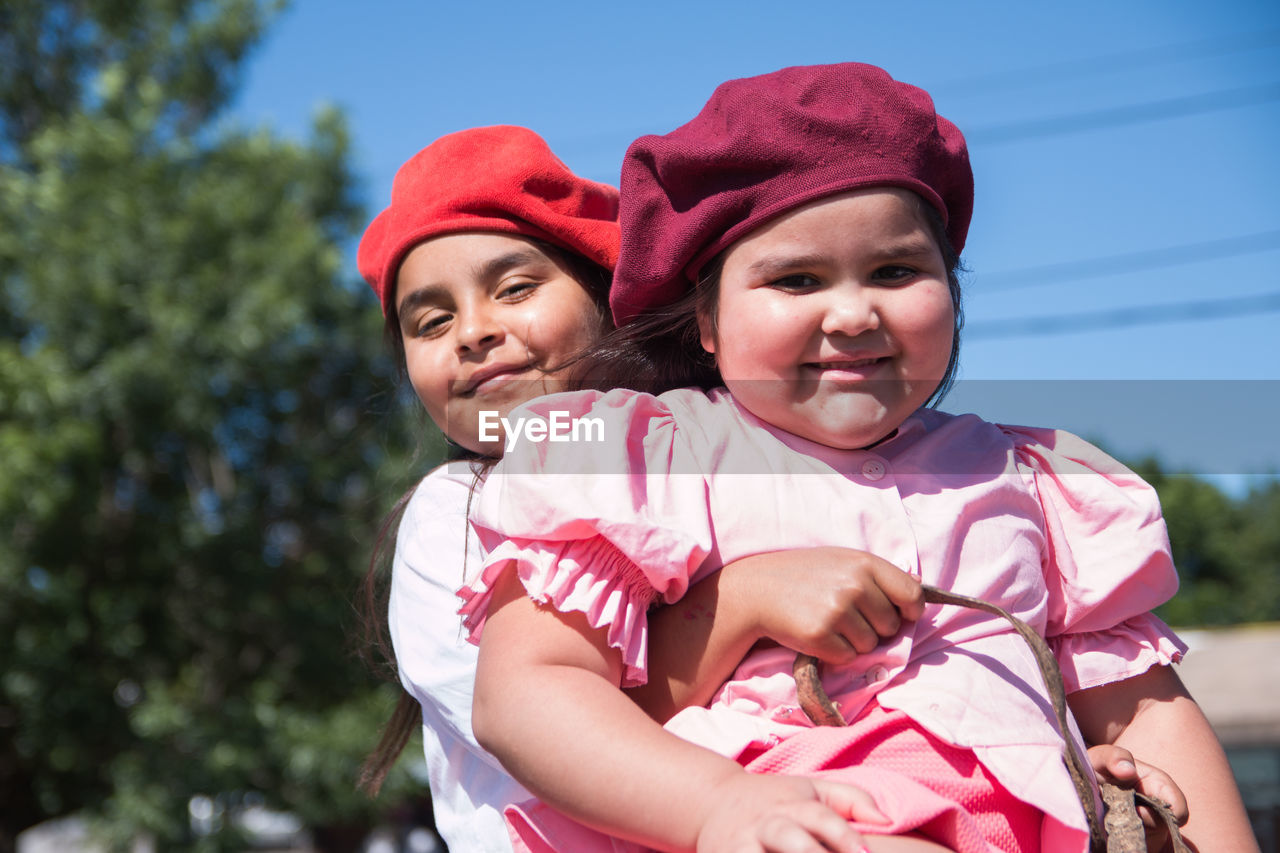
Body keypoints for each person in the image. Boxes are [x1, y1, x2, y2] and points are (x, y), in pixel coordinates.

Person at [459, 65, 1255, 852]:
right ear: (705, 322)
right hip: (793, 816)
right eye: (797, 279)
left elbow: (1147, 713)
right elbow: (532, 689)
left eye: (896, 270)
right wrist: (719, 804)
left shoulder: (1038, 481)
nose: (851, 312)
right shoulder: (648, 458)